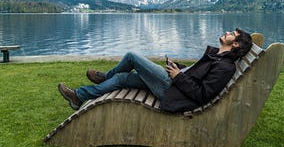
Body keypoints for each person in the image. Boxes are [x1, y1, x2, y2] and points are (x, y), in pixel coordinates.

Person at [58, 28, 252, 113]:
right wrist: (179, 68)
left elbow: (202, 94)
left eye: (231, 34)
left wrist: (177, 76)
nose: (227, 32)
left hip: (173, 91)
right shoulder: (217, 56)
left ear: (234, 44)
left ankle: (104, 77)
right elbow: (196, 74)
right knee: (124, 78)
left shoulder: (225, 67)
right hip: (175, 83)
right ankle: (79, 96)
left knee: (132, 57)